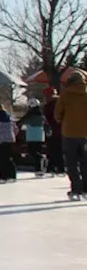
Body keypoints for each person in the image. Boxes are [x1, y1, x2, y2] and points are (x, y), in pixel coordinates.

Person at [55, 71, 87, 201]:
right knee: (85, 162)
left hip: (69, 132)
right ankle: (86, 188)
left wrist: (62, 119)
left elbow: (58, 114)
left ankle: (76, 188)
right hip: (85, 133)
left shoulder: (66, 94)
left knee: (71, 162)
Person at [22, 99, 47, 176]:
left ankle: (41, 160)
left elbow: (22, 122)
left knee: (32, 152)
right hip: (40, 136)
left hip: (31, 136)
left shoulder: (29, 116)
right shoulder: (41, 115)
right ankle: (39, 170)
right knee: (37, 152)